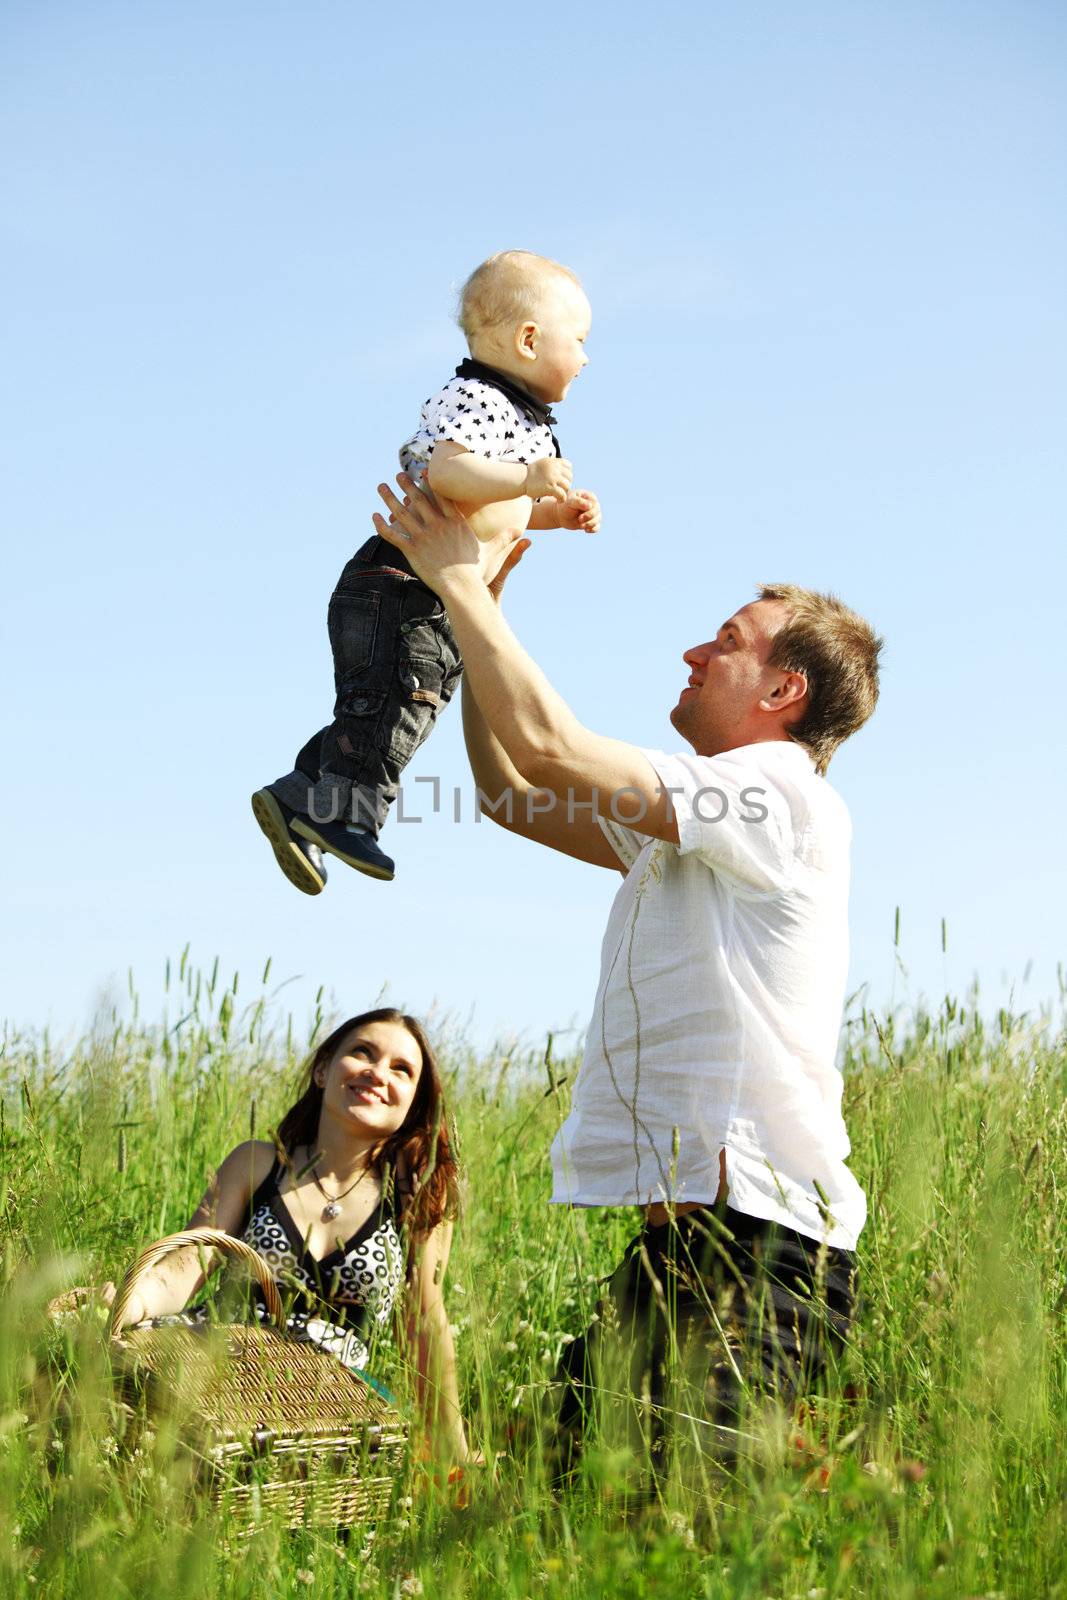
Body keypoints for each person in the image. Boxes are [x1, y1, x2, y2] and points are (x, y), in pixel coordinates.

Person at [370, 476, 883, 1474]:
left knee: (688, 1543)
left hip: (762, 1258)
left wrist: (463, 583)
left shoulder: (779, 801)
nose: (694, 651)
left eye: (725, 641)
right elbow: (513, 791)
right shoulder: (696, 824)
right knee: (571, 1509)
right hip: (679, 1257)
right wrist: (485, 615)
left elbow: (551, 742)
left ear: (783, 693)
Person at [251, 250, 601, 892]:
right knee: (396, 707)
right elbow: (447, 472)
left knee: (385, 705)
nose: (584, 358)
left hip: (435, 598)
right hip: (399, 586)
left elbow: (514, 510)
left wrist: (557, 512)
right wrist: (527, 477)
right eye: (578, 341)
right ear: (529, 339)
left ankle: (303, 792)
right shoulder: (477, 398)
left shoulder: (530, 426)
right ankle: (347, 817)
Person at [95, 1008, 473, 1465]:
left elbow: (425, 1324)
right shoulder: (257, 1164)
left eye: (401, 1069)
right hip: (209, 1366)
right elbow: (185, 1265)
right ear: (322, 1070)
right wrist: (127, 1304)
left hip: (324, 1404)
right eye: (362, 1053)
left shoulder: (418, 1194)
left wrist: (456, 1452)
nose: (377, 1073)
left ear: (413, 1101)